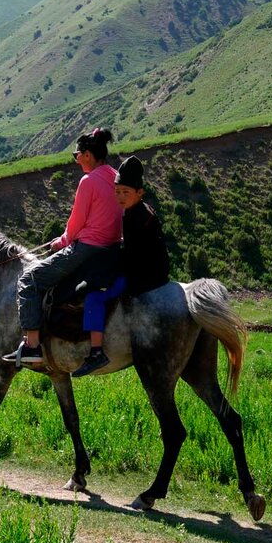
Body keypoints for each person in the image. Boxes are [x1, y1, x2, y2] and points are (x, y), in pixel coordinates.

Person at [3, 128, 122, 366]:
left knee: (29, 280)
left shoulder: (88, 181)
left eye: (77, 155)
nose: (77, 160)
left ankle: (32, 346)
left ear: (88, 155)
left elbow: (76, 223)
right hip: (112, 248)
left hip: (86, 248)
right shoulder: (116, 175)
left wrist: (61, 242)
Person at [73, 155, 170, 377]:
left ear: (140, 192)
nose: (120, 197)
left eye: (126, 192)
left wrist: (105, 273)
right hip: (156, 272)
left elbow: (130, 256)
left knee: (94, 296)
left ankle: (96, 351)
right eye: (117, 192)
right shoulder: (143, 210)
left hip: (143, 277)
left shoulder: (134, 217)